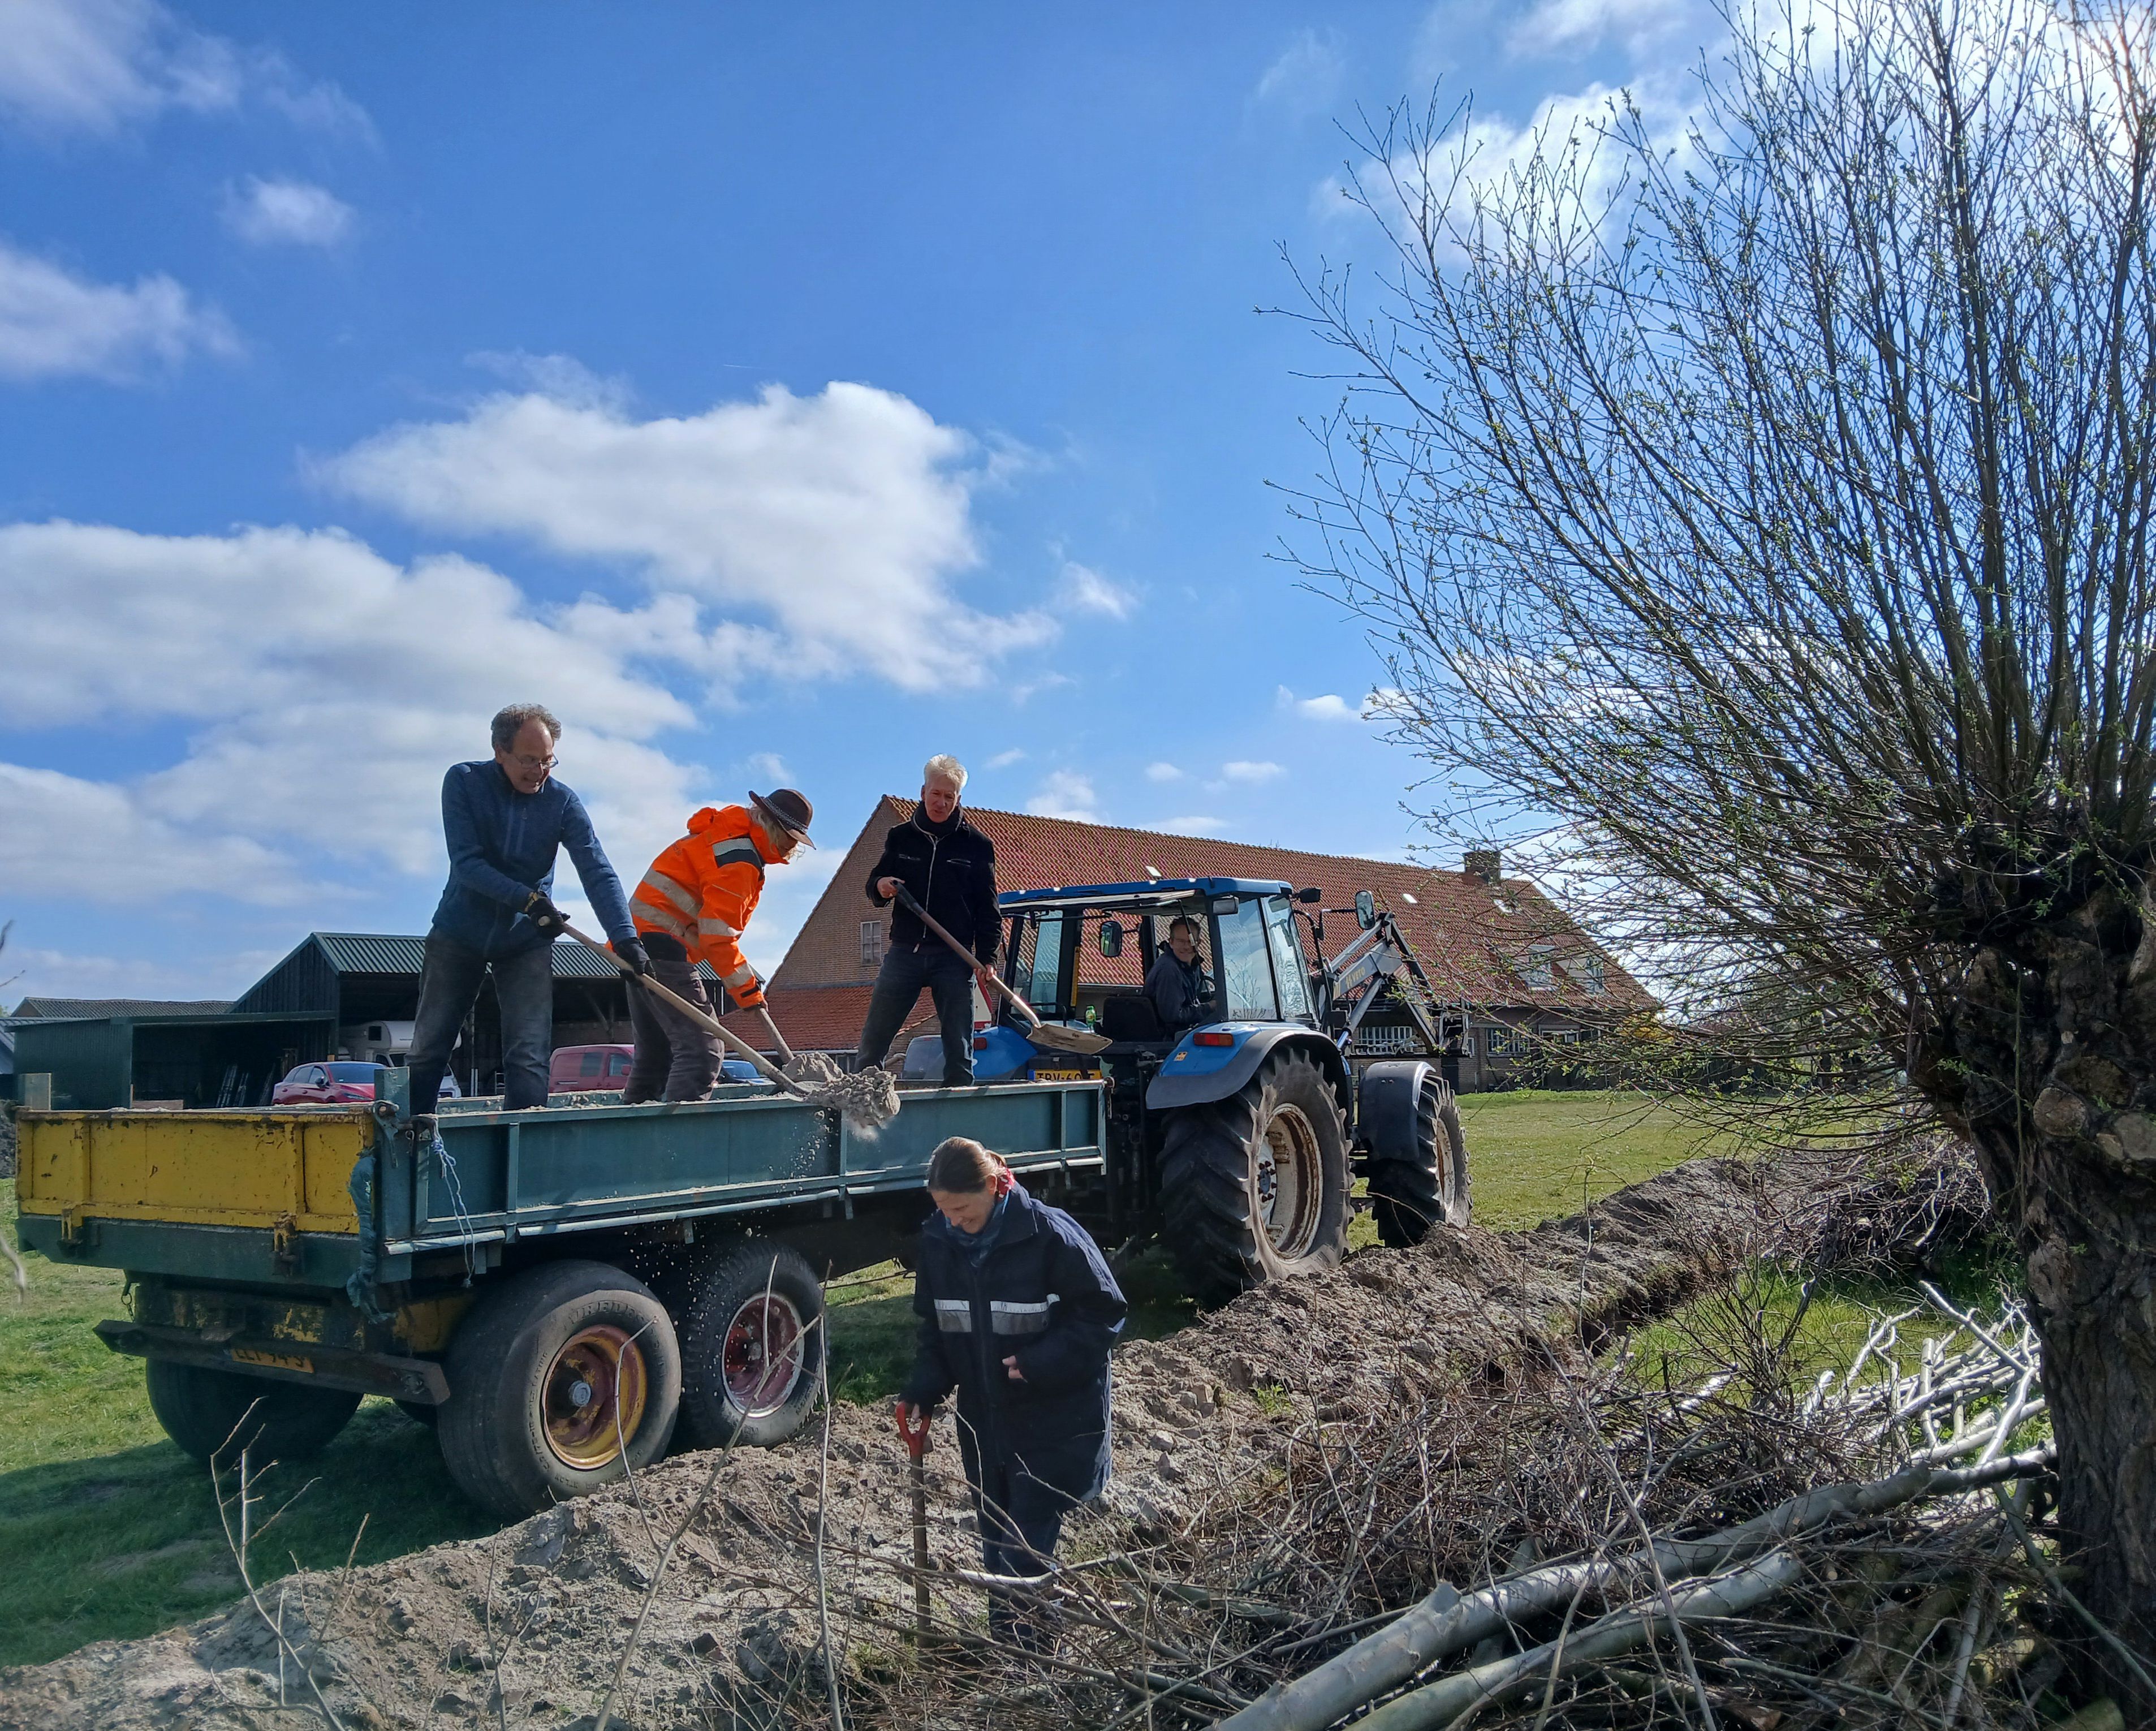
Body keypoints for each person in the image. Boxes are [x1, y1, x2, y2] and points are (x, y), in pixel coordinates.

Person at [898, 1137, 1126, 1649]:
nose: (953, 1221)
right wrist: (923, 1389)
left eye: (962, 1209)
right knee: (996, 1545)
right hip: (985, 1426)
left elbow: (1105, 1314)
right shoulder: (940, 1242)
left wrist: (1039, 1362)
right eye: (942, 1210)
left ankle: (1037, 1665)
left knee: (1024, 1552)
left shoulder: (1049, 1235)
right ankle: (1012, 1654)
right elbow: (938, 1330)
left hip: (1053, 1422)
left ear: (996, 1188)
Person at [406, 704, 646, 1119]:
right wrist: (529, 901)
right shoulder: (463, 781)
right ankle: (411, 1138)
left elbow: (596, 869)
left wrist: (624, 938)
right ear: (500, 751)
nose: (539, 771)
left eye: (548, 760)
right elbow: (468, 864)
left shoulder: (562, 802)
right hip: (459, 932)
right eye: (529, 760)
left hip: (524, 940)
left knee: (530, 1054)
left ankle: (526, 1154)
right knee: (431, 1047)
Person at [623, 787, 815, 1103]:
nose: (792, 847)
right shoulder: (740, 860)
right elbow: (718, 937)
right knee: (705, 1051)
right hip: (663, 948)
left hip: (635, 944)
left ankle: (631, 1140)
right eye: (790, 837)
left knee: (656, 1055)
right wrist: (748, 992)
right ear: (769, 824)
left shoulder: (723, 834)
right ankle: (679, 1145)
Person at [856, 755, 1001, 1085]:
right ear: (923, 792)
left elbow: (988, 907)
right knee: (873, 1041)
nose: (942, 802)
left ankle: (960, 1117)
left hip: (954, 957)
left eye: (949, 797)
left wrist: (988, 957)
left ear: (959, 799)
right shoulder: (900, 837)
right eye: (937, 794)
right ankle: (861, 1106)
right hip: (906, 952)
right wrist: (881, 887)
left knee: (959, 1049)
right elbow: (875, 883)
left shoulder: (977, 846)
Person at [1142, 915, 1211, 1030]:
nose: (1187, 947)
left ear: (1199, 943)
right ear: (1171, 942)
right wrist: (1209, 1007)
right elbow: (1172, 1016)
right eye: (1181, 941)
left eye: (1191, 942)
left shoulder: (1193, 965)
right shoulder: (1169, 970)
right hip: (1169, 1038)